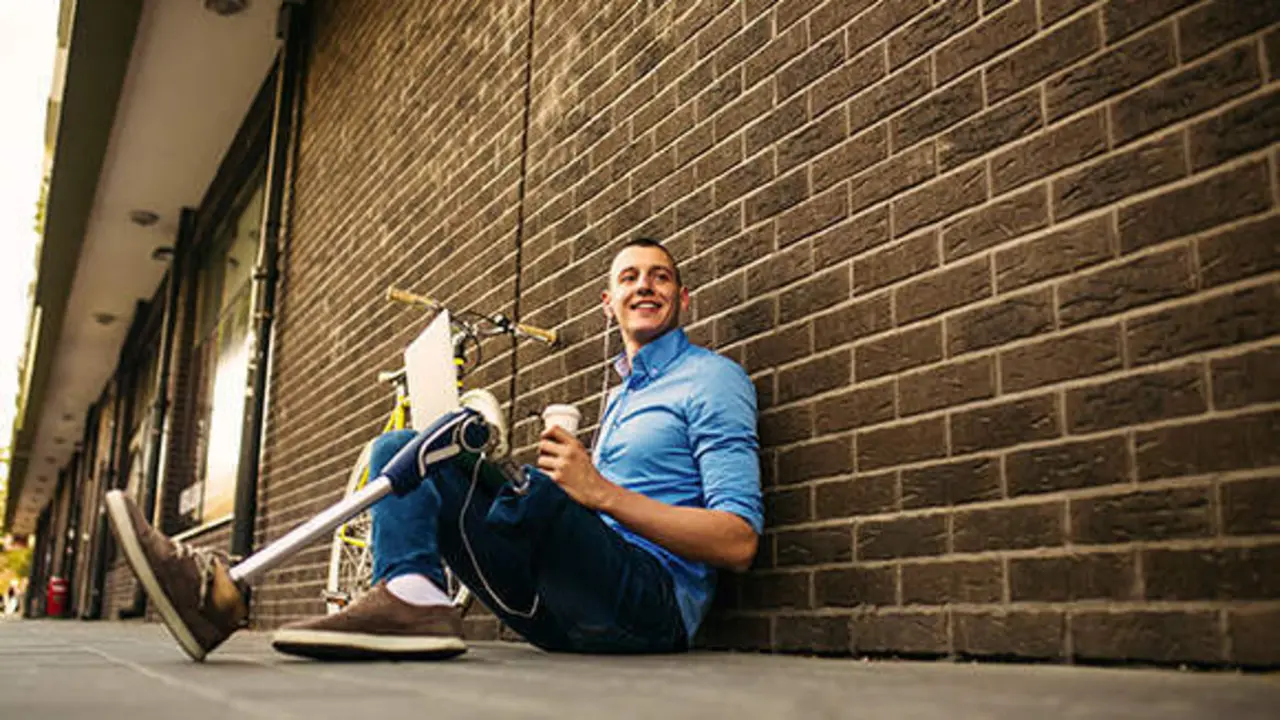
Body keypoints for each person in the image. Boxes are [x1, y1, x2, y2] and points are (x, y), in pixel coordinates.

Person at [104, 237, 762, 661]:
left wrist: (597, 493)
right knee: (409, 445)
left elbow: (737, 542)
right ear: (608, 303)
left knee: (525, 485)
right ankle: (402, 595)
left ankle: (251, 584)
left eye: (660, 277)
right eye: (629, 278)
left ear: (682, 297)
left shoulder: (712, 380)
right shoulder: (618, 393)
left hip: (652, 614)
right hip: (560, 619)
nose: (645, 286)